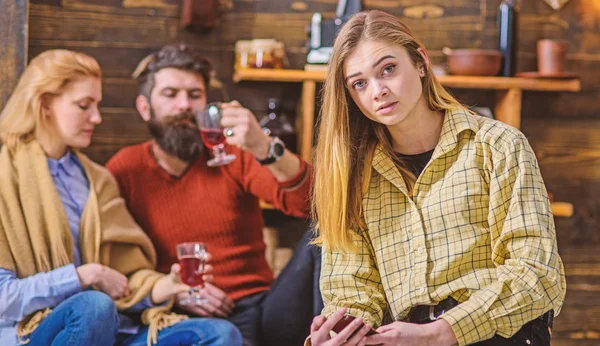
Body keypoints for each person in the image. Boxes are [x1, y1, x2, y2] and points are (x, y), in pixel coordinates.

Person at [309, 10, 566, 346]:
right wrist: (342, 330)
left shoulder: (498, 146)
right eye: (359, 83)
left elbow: (538, 275)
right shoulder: (353, 178)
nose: (378, 90)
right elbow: (352, 290)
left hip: (496, 334)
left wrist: (437, 333)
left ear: (420, 62)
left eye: (388, 69)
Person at [0, 49, 242, 346]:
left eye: (97, 105)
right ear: (45, 104)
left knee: (220, 333)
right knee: (93, 306)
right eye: (83, 105)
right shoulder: (5, 179)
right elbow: (3, 299)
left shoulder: (96, 179)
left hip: (115, 329)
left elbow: (124, 277)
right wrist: (81, 276)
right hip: (35, 333)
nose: (97, 117)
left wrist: (167, 285)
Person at [105, 44, 322, 346]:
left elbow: (314, 204)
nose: (184, 105)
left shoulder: (233, 155)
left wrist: (264, 147)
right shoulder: (125, 169)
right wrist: (178, 290)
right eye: (170, 94)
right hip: (179, 312)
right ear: (145, 107)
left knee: (325, 232)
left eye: (194, 95)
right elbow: (114, 259)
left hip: (260, 307)